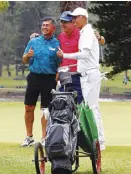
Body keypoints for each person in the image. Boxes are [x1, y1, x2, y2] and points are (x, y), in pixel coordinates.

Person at [57, 7, 105, 151]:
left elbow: (83, 55)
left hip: (90, 75)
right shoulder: (86, 32)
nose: (74, 20)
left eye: (75, 18)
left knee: (92, 109)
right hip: (86, 75)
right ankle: (97, 141)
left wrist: (64, 55)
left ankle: (98, 141)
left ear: (83, 17)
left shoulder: (87, 33)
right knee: (91, 108)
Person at [21, 17, 62, 147]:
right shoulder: (34, 41)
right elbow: (24, 59)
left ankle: (44, 137)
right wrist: (28, 56)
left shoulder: (56, 44)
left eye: (47, 25)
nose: (44, 27)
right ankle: (29, 137)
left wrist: (56, 78)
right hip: (34, 77)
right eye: (43, 25)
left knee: (45, 110)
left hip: (49, 78)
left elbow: (61, 63)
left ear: (53, 28)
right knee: (29, 107)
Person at [57, 11, 106, 104]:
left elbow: (101, 41)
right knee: (63, 104)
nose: (63, 25)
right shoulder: (61, 36)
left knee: (80, 103)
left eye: (66, 22)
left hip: (78, 74)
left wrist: (100, 38)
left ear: (73, 22)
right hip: (64, 75)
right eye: (61, 22)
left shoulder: (81, 33)